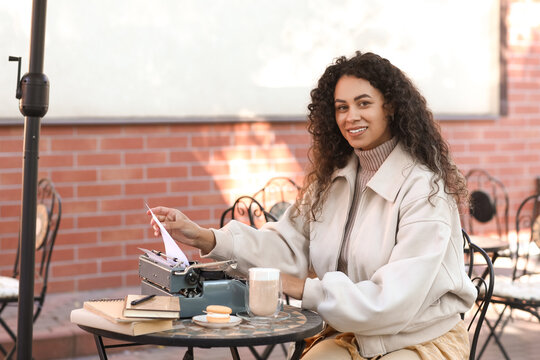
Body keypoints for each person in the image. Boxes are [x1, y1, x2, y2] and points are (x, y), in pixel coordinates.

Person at [148, 51, 477, 359]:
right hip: (350, 333)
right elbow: (286, 245)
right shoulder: (333, 179)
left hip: (418, 338)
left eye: (364, 103)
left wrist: (303, 288)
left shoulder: (424, 188)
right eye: (341, 107)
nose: (351, 117)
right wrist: (207, 238)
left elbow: (393, 300)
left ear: (389, 107)